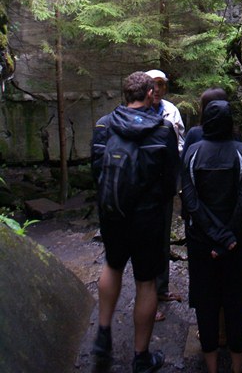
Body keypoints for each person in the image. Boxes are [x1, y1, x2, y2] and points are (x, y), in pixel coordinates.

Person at [91, 71, 180, 373]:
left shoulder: (104, 125)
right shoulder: (163, 130)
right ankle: (141, 357)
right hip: (147, 217)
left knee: (112, 265)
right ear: (150, 94)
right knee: (145, 282)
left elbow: (96, 170)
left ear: (126, 94)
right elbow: (170, 181)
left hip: (112, 212)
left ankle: (103, 335)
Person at [182, 97, 242, 373]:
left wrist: (213, 237)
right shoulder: (241, 152)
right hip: (236, 242)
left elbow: (191, 202)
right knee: (237, 303)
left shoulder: (193, 152)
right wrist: (227, 239)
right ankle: (236, 368)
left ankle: (211, 368)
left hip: (202, 243)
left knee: (206, 303)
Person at [145, 68, 185, 312]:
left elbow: (181, 142)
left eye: (161, 85)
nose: (157, 89)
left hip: (165, 182)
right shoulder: (136, 110)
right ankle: (146, 296)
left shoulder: (171, 110)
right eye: (153, 84)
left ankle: (161, 288)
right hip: (143, 185)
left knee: (162, 237)